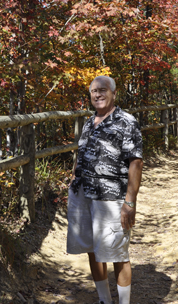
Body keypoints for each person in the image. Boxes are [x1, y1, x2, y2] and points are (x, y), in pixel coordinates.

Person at [67, 75, 143, 304]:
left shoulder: (126, 121)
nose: (98, 94)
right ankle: (104, 300)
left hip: (111, 198)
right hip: (83, 195)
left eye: (102, 90)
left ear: (113, 93)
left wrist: (130, 202)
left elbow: (136, 162)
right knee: (93, 249)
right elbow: (81, 156)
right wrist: (73, 181)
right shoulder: (90, 122)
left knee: (118, 254)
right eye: (93, 91)